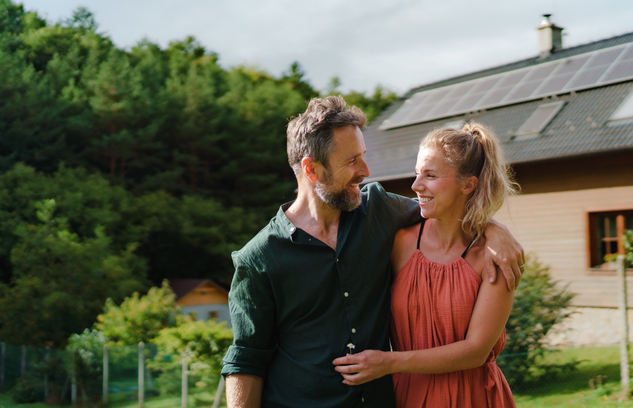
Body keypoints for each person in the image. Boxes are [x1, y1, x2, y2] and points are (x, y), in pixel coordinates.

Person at [221, 96, 525, 408]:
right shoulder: (258, 259)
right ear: (312, 170)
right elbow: (246, 359)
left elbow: (453, 211)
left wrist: (494, 230)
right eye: (351, 161)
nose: (366, 171)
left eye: (363, 156)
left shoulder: (380, 211)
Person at [333, 123, 518, 407]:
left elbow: (475, 351)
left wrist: (388, 362)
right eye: (418, 173)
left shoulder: (494, 257)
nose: (416, 185)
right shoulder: (399, 243)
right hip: (409, 395)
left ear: (468, 184)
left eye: (430, 175)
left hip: (471, 396)